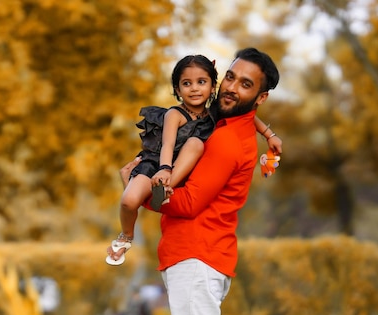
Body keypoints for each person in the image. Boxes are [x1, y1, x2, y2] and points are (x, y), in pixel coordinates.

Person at [109, 47, 281, 315]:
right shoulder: (223, 122)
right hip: (197, 256)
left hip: (196, 257)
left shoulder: (227, 140)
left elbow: (188, 203)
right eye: (230, 77)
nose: (230, 88)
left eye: (245, 84)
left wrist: (139, 194)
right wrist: (269, 133)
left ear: (260, 97)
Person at [106, 54, 282, 266]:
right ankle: (126, 235)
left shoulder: (214, 114)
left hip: (177, 176)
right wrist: (162, 169)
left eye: (201, 82)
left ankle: (164, 188)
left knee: (195, 144)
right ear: (178, 90)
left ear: (211, 86)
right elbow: (168, 145)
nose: (195, 89)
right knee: (128, 200)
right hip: (157, 163)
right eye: (187, 84)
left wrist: (269, 135)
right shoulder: (175, 114)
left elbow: (250, 114)